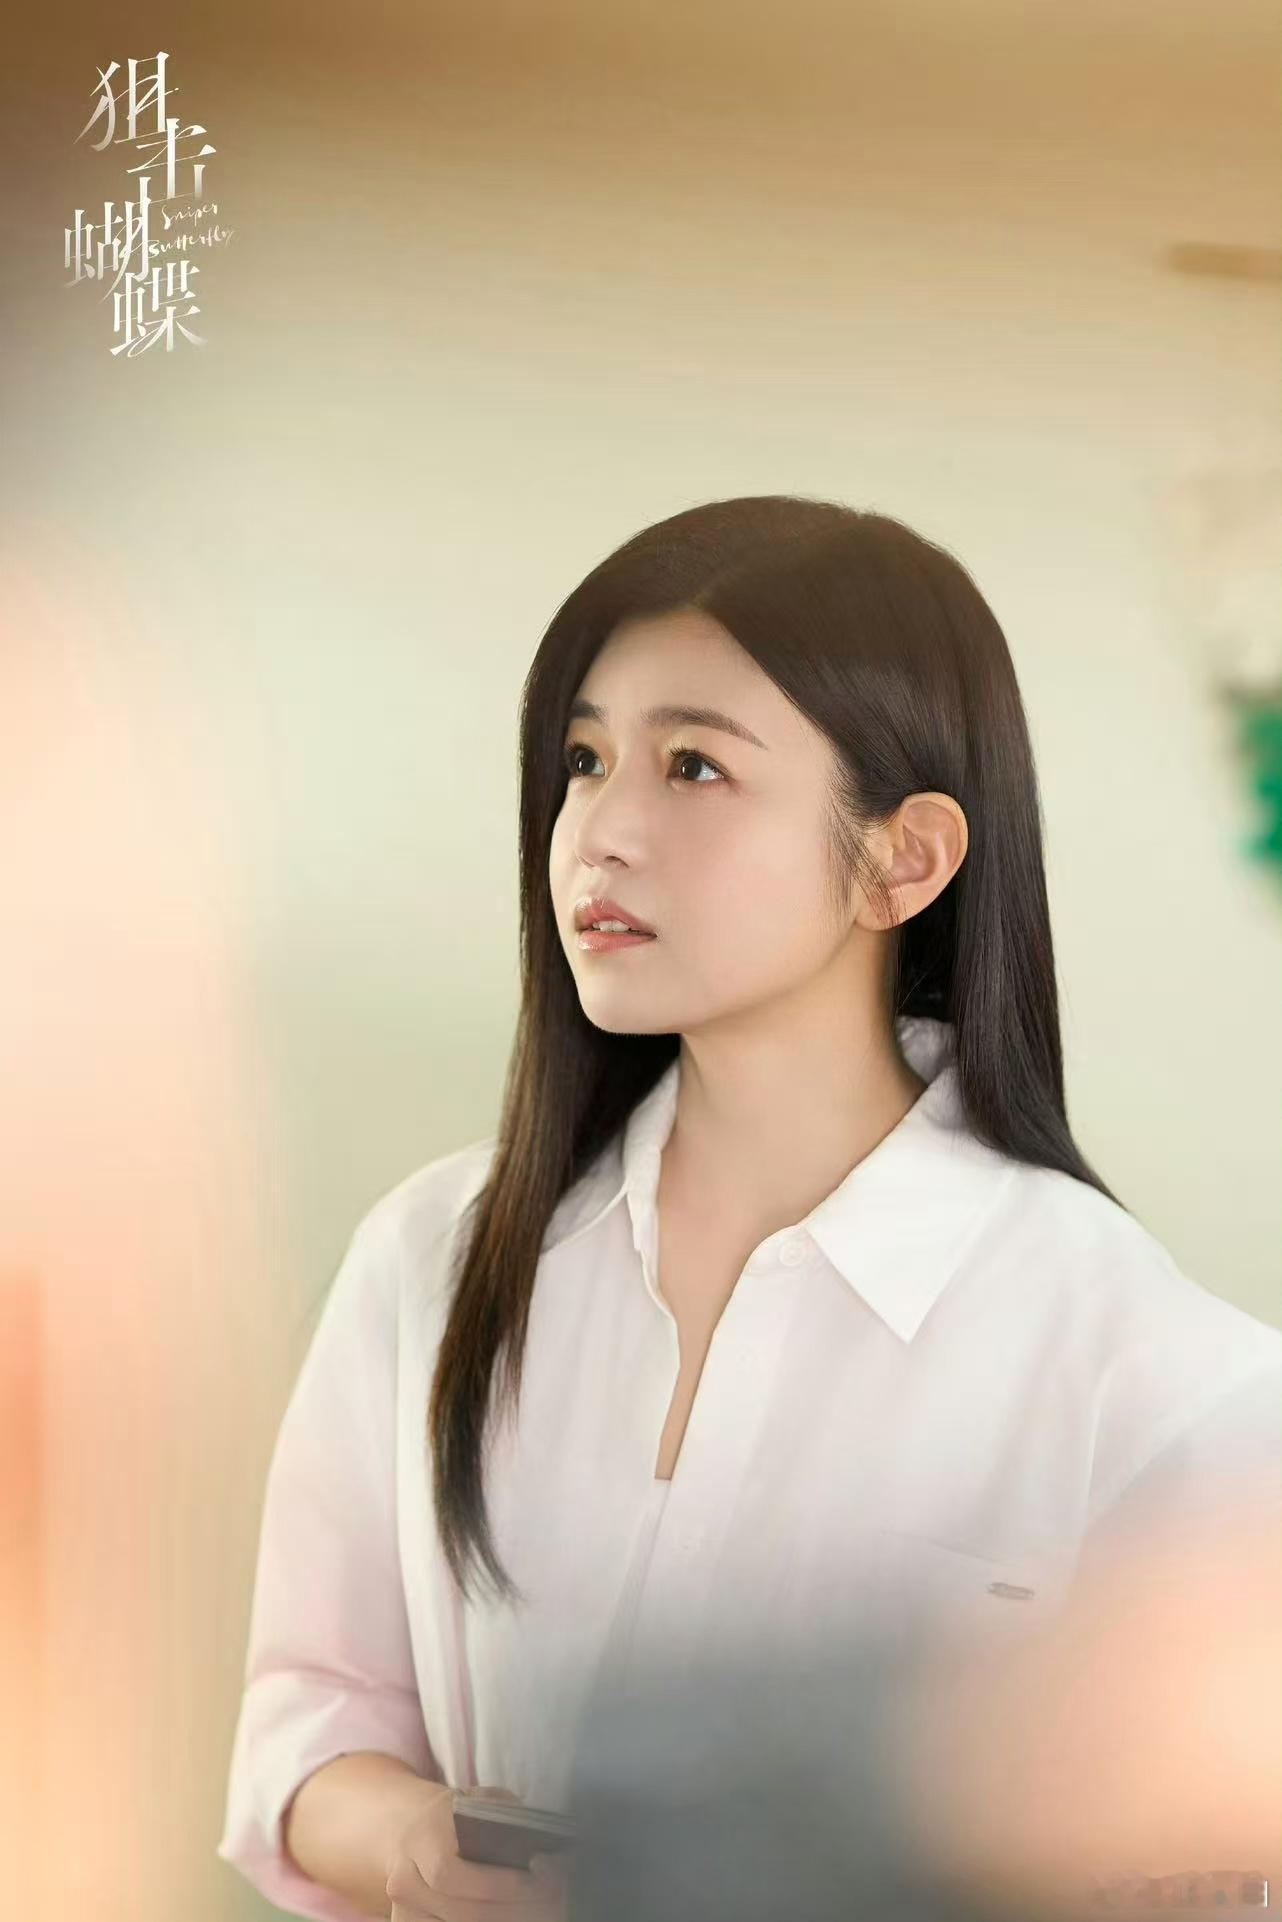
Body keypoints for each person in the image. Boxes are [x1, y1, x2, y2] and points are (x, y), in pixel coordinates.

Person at [216, 496, 1282, 1922]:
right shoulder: (433, 1257)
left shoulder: (1159, 1376)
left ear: (904, 858)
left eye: (694, 766)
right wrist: (416, 1843)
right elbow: (309, 1719)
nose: (599, 832)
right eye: (583, 760)